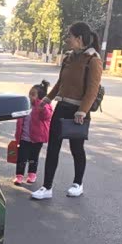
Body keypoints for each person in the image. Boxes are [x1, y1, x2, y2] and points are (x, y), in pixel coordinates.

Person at [31, 21, 102, 200]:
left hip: (78, 112)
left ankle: (78, 183)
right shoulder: (68, 58)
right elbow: (60, 83)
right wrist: (48, 98)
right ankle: (47, 187)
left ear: (79, 38)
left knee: (76, 148)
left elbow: (92, 90)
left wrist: (82, 111)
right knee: (52, 148)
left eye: (69, 36)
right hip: (62, 107)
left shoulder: (93, 60)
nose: (67, 39)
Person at [14, 80, 53, 185]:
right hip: (24, 138)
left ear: (40, 97)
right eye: (29, 94)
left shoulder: (44, 106)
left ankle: (32, 174)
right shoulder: (25, 105)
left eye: (33, 94)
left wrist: (42, 106)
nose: (30, 96)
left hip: (37, 139)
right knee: (21, 157)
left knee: (33, 157)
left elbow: (46, 116)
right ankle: (19, 176)